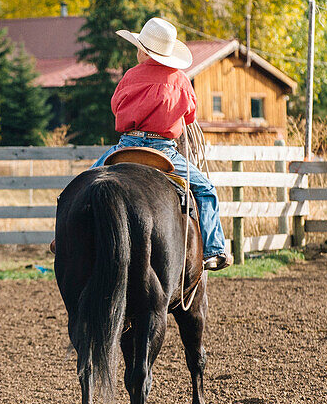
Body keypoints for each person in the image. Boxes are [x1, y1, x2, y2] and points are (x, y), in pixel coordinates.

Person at [90, 17, 232, 272]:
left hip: (126, 146)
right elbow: (189, 115)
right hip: (163, 150)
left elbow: (116, 106)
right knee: (205, 190)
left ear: (143, 49)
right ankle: (214, 249)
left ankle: (72, 239)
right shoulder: (179, 80)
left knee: (87, 182)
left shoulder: (130, 76)